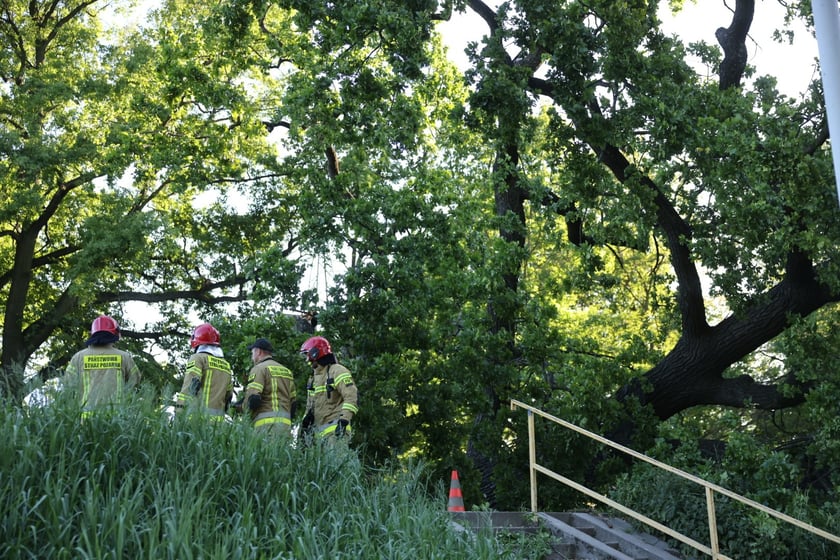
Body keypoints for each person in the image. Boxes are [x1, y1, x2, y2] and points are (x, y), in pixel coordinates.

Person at [64, 314, 141, 418]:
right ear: (115, 333)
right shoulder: (124, 357)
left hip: (86, 419)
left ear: (93, 333)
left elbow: (68, 385)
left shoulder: (78, 357)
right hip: (116, 418)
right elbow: (135, 381)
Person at [299, 335, 358, 441]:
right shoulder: (313, 378)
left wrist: (343, 421)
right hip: (318, 435)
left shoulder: (337, 371)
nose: (307, 359)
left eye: (307, 355)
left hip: (336, 431)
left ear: (314, 353)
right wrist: (304, 427)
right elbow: (309, 406)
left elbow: (351, 396)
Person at [173, 322, 234, 420]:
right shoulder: (226, 365)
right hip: (218, 423)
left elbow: (190, 387)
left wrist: (179, 413)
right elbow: (229, 395)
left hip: (197, 421)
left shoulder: (198, 358)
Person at [239, 338, 296, 436]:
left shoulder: (259, 369)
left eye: (252, 353)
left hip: (266, 426)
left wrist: (242, 408)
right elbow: (293, 404)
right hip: (285, 428)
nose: (252, 357)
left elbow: (253, 400)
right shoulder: (287, 372)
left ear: (258, 352)